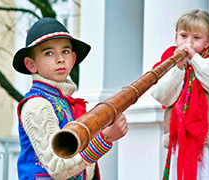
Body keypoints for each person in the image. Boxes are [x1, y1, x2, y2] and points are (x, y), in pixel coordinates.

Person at [13, 17, 128, 180]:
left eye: (65, 51)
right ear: (31, 65)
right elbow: (57, 168)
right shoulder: (36, 105)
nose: (60, 59)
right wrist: (105, 138)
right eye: (49, 53)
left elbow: (78, 159)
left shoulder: (67, 102)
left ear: (73, 59)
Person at [150, 9, 209, 180]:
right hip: (180, 138)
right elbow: (162, 95)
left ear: (207, 41)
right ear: (176, 37)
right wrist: (178, 68)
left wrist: (195, 59)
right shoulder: (169, 60)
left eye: (196, 38)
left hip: (208, 139)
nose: (188, 42)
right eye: (183, 36)